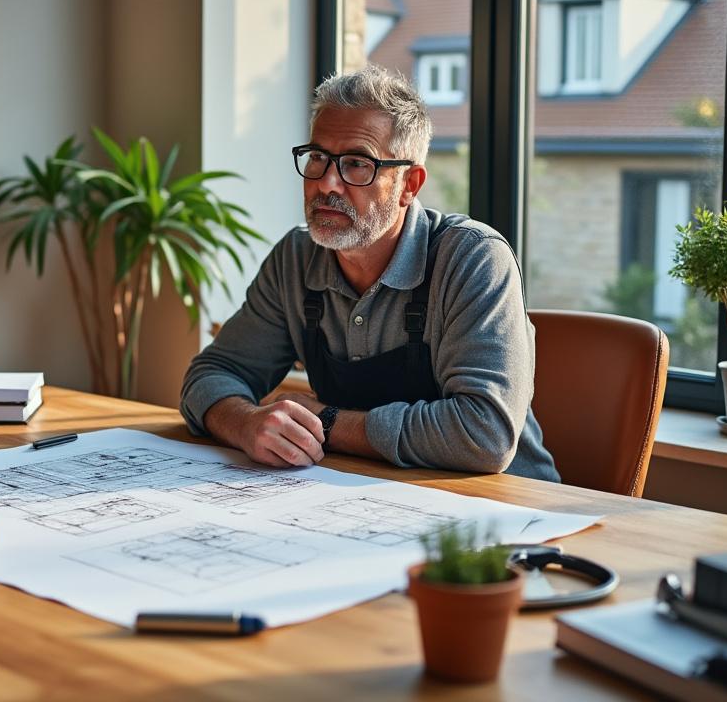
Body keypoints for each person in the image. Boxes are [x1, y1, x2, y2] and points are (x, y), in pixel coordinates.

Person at [180, 65, 558, 481]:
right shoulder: (295, 257)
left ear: (409, 184)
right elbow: (211, 375)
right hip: (361, 498)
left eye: (357, 164)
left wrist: (325, 421)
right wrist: (245, 423)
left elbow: (484, 435)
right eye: (319, 158)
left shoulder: (474, 259)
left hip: (504, 514)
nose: (327, 184)